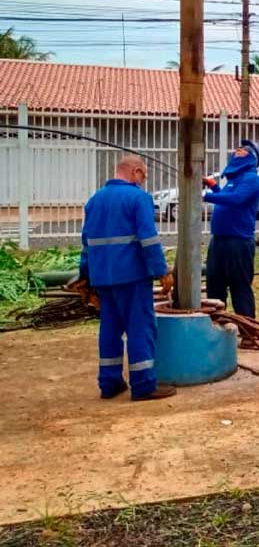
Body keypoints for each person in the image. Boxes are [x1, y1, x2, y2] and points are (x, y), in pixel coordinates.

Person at [81, 155, 175, 401]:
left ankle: (109, 383)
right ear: (135, 172)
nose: (143, 182)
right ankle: (144, 385)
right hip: (132, 277)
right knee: (139, 329)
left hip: (102, 278)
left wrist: (85, 278)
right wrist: (161, 270)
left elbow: (86, 244)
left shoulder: (94, 200)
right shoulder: (138, 198)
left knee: (110, 330)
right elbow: (149, 239)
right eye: (143, 176)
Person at [203, 139, 259, 340]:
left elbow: (237, 200)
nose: (239, 150)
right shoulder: (232, 180)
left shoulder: (252, 179)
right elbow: (227, 198)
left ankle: (249, 335)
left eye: (245, 149)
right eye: (238, 148)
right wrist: (214, 188)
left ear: (254, 158)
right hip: (219, 240)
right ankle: (217, 333)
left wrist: (206, 196)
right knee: (214, 287)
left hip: (239, 242)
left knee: (239, 287)